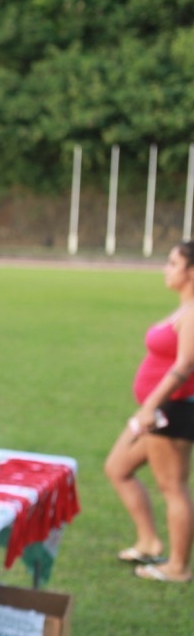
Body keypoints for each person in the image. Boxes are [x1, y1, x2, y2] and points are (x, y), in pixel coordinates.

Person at [104, 240, 194, 584]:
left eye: (173, 263)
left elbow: (185, 365)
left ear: (191, 272)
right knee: (117, 467)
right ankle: (149, 542)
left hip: (171, 411)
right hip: (157, 410)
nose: (165, 269)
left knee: (172, 486)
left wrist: (151, 405)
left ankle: (178, 567)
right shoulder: (182, 310)